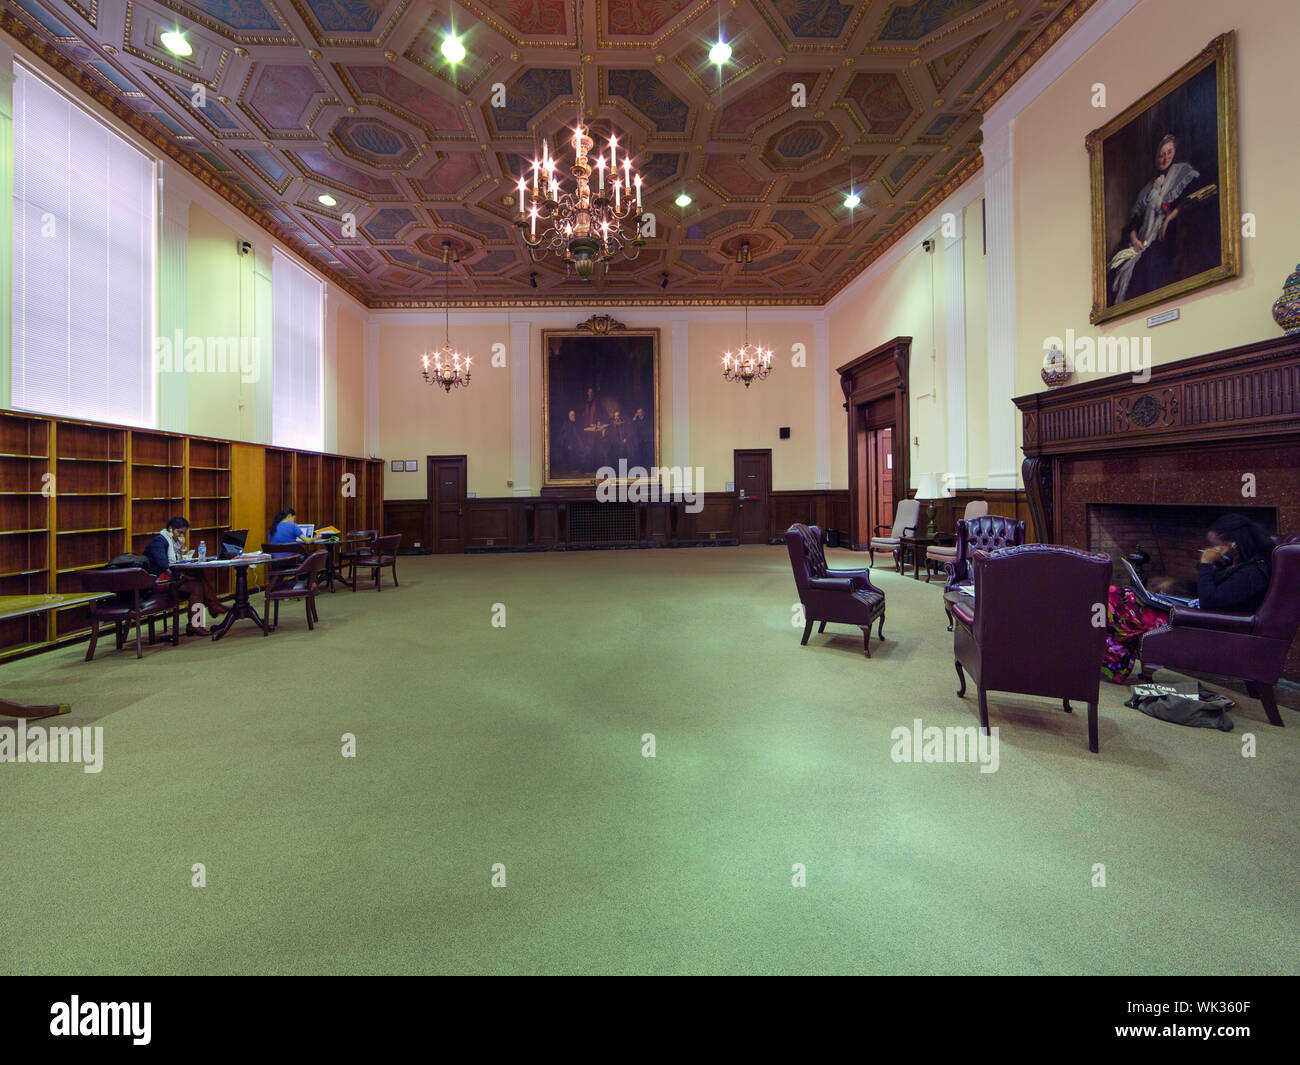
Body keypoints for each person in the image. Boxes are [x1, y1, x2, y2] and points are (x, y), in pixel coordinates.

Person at [1103, 514, 1276, 682]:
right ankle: (1114, 662)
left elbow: (1210, 601)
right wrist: (1174, 583)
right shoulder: (1239, 566)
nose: (1212, 550)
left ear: (1233, 544)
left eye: (1216, 546)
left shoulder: (1253, 573)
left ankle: (1113, 662)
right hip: (1193, 612)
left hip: (1201, 624)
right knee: (1121, 597)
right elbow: (1206, 591)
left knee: (1118, 598)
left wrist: (1206, 564)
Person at [1110, 134, 1203, 305]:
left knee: (1151, 262)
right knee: (1116, 268)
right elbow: (1135, 221)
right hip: (1143, 240)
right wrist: (1134, 240)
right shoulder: (1147, 189)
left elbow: (1189, 200)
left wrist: (1168, 219)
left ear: (1175, 153)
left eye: (1169, 152)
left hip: (1167, 233)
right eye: (1161, 154)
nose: (1165, 157)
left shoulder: (1183, 173)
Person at [143, 516, 225, 636]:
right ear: (170, 529)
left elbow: (174, 564)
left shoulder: (173, 544)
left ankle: (199, 622)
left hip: (169, 580)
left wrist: (181, 549)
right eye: (179, 532)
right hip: (158, 583)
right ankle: (211, 606)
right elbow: (164, 564)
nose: (181, 536)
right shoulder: (159, 542)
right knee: (197, 582)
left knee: (198, 584)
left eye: (183, 533)